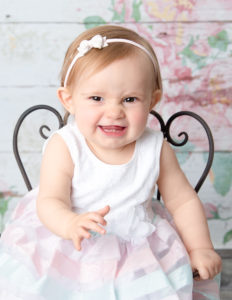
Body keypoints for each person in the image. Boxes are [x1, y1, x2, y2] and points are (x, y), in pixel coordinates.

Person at [0, 25, 221, 299]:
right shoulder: (66, 146)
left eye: (129, 99)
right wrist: (70, 224)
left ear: (152, 100)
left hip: (138, 247)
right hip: (71, 240)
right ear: (68, 99)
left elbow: (183, 201)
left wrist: (200, 247)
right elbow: (50, 201)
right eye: (96, 98)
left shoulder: (155, 148)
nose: (114, 112)